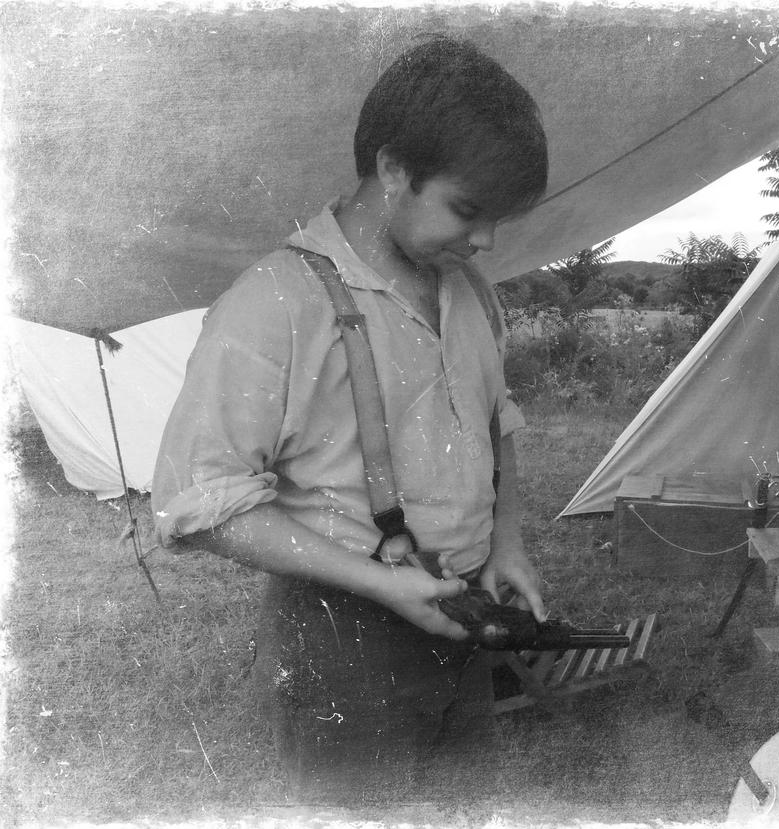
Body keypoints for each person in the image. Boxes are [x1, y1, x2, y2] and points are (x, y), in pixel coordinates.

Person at [151, 35, 548, 801]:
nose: (486, 241)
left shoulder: (470, 291)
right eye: (468, 210)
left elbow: (496, 424)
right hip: (341, 647)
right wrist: (378, 582)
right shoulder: (275, 303)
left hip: (461, 627)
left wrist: (506, 543)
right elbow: (195, 502)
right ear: (394, 169)